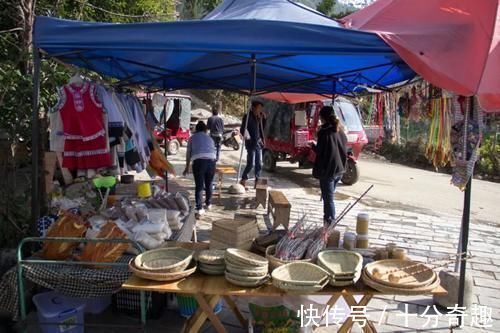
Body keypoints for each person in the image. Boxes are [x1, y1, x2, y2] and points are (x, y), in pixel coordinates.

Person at [311, 106, 348, 225]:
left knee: (328, 200)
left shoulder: (324, 132)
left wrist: (312, 145)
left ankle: (329, 224)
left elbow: (319, 151)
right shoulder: (340, 130)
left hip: (328, 170)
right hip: (340, 169)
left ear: (322, 118)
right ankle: (329, 222)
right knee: (329, 197)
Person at [183, 121, 216, 218]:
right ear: (205, 129)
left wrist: (187, 167)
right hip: (211, 162)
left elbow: (188, 154)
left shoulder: (192, 138)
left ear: (196, 129)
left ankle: (200, 208)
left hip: (199, 162)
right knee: (209, 183)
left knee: (199, 185)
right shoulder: (210, 138)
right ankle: (209, 204)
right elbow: (213, 151)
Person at [239, 101, 266, 189]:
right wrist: (248, 138)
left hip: (258, 143)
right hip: (251, 144)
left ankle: (257, 181)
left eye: (261, 108)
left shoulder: (259, 117)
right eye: (259, 108)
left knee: (258, 163)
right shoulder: (247, 117)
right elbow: (243, 129)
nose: (260, 110)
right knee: (250, 163)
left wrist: (264, 119)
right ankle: (243, 179)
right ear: (253, 108)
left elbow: (262, 128)